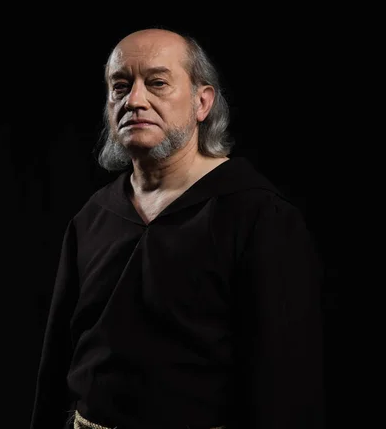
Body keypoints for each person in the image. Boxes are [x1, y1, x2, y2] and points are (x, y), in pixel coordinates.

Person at [30, 28, 324, 429]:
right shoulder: (92, 217)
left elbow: (286, 383)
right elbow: (56, 366)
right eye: (120, 86)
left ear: (202, 102)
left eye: (157, 83)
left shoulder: (258, 215)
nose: (134, 100)